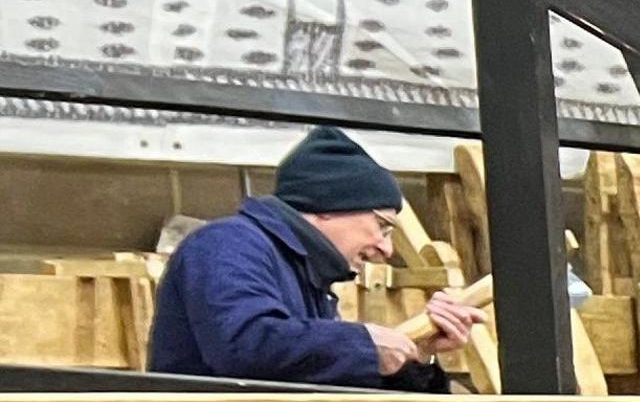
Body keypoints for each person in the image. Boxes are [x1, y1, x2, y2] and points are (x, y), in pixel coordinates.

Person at [148, 128, 475, 388]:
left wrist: (415, 356)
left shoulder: (307, 276)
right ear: (330, 206)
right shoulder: (226, 245)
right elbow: (245, 346)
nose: (386, 251)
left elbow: (319, 375)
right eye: (382, 226)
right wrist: (365, 345)